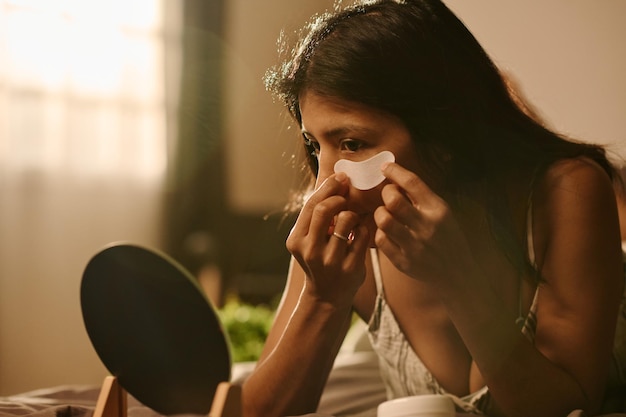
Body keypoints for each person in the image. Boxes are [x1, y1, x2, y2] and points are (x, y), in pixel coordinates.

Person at [241, 1, 626, 416]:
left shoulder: (569, 193)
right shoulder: (341, 226)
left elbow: (564, 408)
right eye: (316, 146)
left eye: (352, 144)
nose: (326, 181)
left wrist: (457, 279)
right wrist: (322, 298)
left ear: (443, 139)